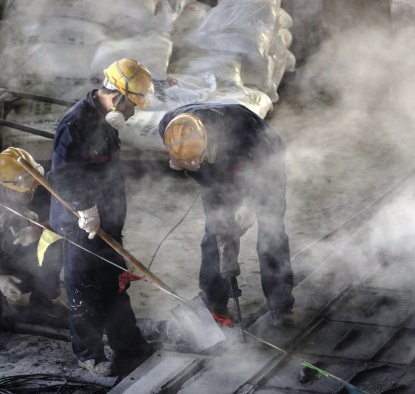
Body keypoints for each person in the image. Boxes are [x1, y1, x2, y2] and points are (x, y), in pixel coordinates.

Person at [48, 58, 159, 377]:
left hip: (107, 219)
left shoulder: (108, 121)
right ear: (118, 96)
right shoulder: (75, 123)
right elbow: (64, 174)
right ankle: (89, 354)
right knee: (83, 287)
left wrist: (109, 213)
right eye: (131, 106)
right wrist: (86, 208)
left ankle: (128, 344)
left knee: (115, 283)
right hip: (79, 220)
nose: (133, 113)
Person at [158, 103, 295, 328]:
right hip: (216, 174)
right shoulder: (170, 126)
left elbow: (266, 170)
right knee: (216, 233)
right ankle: (214, 304)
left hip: (264, 171)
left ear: (209, 140)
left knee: (271, 235)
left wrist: (250, 204)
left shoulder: (244, 131)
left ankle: (281, 305)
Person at [0, 148, 65, 322]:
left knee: (55, 243)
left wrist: (38, 230)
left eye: (33, 186)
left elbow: (64, 223)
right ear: (7, 186)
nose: (31, 191)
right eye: (25, 189)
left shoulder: (41, 189)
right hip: (1, 264)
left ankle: (43, 300)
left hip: (30, 261)